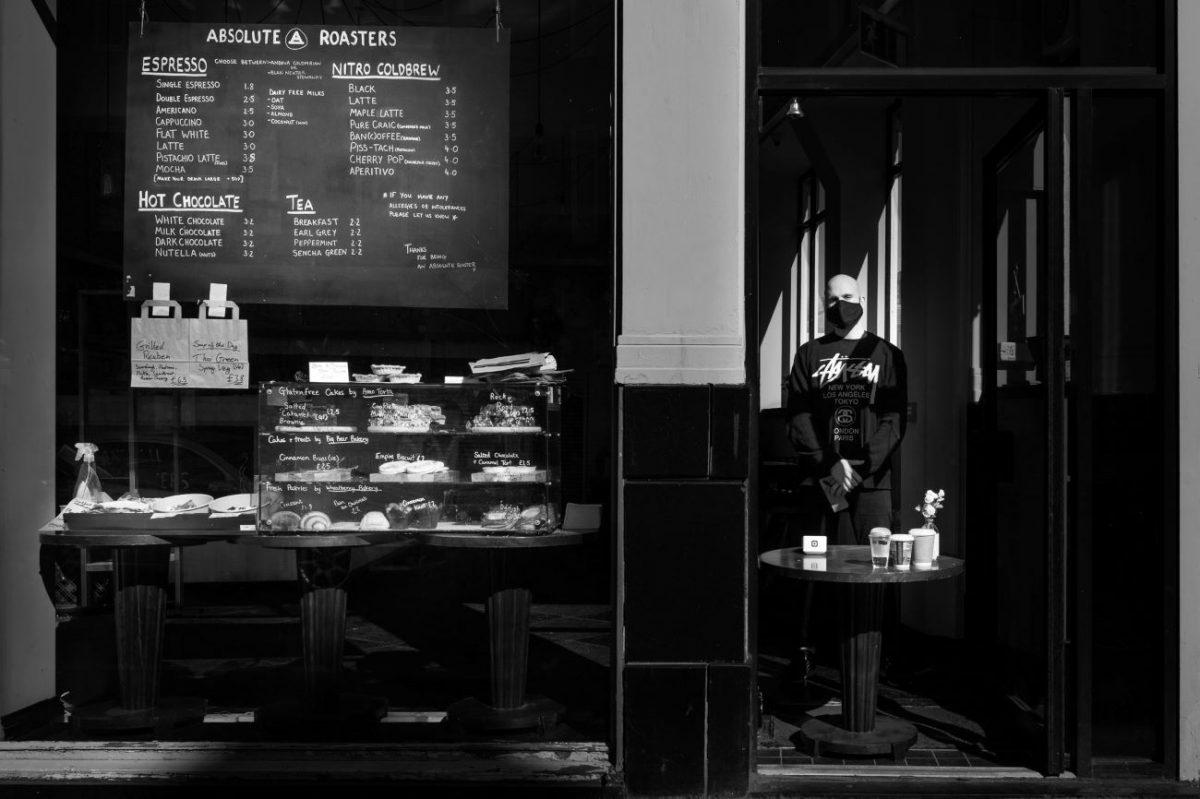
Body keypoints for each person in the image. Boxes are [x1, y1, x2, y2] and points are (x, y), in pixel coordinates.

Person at [785, 273, 908, 545]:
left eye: (848, 297)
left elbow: (894, 422)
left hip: (873, 484)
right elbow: (798, 419)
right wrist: (830, 463)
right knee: (822, 567)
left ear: (862, 300)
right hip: (821, 480)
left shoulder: (887, 354)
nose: (841, 304)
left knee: (873, 565)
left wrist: (860, 468)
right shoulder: (809, 353)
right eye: (833, 299)